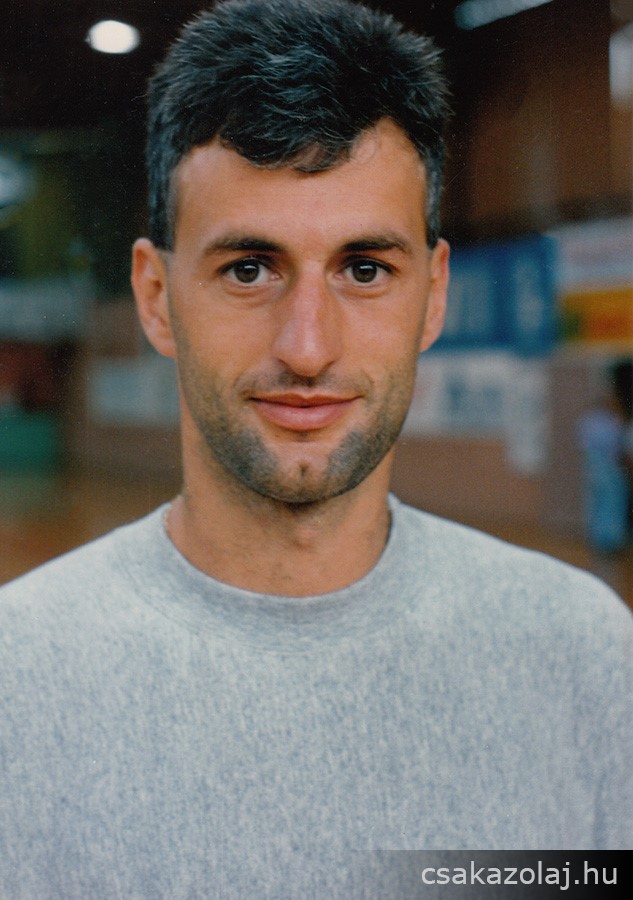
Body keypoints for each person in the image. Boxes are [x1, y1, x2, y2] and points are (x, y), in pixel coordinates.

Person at [1, 0, 631, 896]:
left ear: (433, 294)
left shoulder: (581, 654)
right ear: (154, 296)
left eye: (364, 269)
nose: (306, 347)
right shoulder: (19, 677)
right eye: (247, 268)